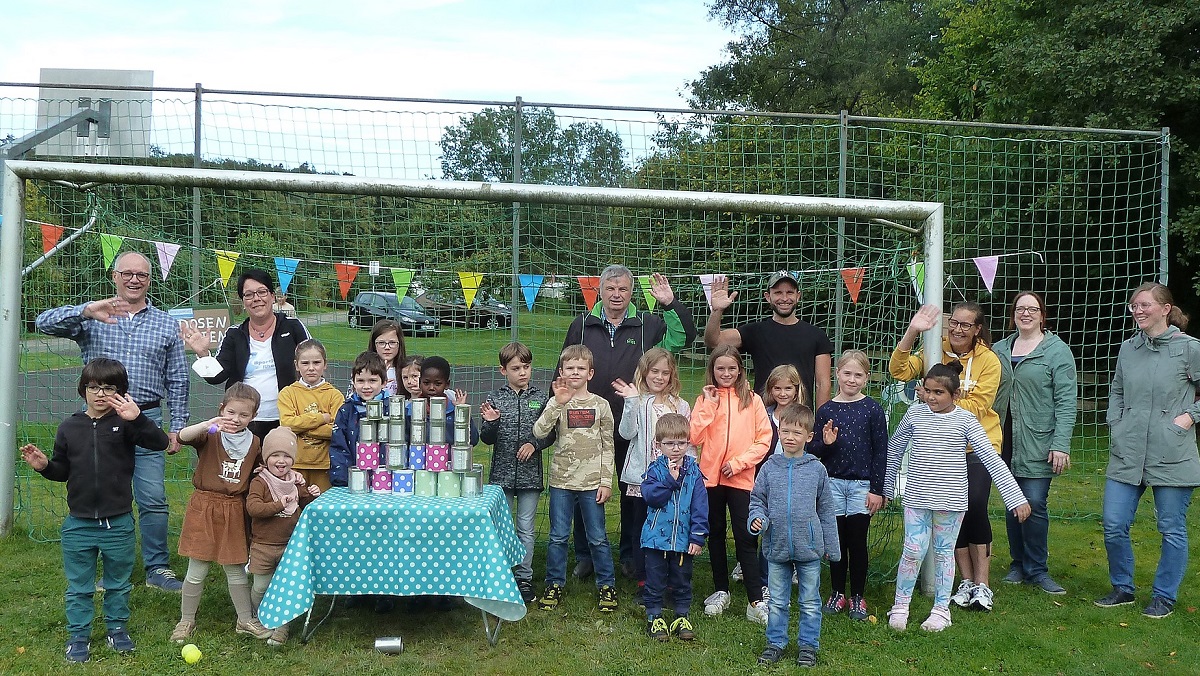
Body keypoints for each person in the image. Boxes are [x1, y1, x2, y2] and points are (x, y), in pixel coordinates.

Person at [35, 250, 189, 593]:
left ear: (150, 281)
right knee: (106, 496)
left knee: (152, 496)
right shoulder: (93, 316)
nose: (135, 280)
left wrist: (177, 427)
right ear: (114, 276)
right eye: (128, 273)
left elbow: (178, 379)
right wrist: (84, 310)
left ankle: (157, 567)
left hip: (145, 417)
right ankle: (113, 566)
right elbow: (41, 322)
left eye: (142, 275)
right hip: (100, 423)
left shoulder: (166, 323)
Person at [19, 358, 170, 663]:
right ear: (83, 389)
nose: (100, 394)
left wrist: (138, 418)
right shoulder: (69, 427)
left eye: (108, 388)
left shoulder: (125, 423)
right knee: (80, 586)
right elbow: (62, 470)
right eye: (94, 387)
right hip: (79, 524)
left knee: (117, 582)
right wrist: (45, 466)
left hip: (118, 523)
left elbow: (160, 442)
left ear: (120, 391)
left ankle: (117, 629)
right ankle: (78, 636)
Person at [562, 264, 696, 581]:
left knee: (631, 493)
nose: (617, 295)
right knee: (585, 490)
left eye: (623, 289)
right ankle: (586, 555)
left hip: (634, 427)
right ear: (600, 291)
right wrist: (560, 410)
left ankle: (629, 555)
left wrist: (670, 303)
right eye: (611, 288)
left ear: (631, 291)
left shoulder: (646, 325)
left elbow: (684, 338)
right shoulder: (582, 325)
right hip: (587, 423)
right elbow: (565, 368)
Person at [883, 362, 1030, 632]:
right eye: (927, 390)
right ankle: (900, 606)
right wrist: (886, 488)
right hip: (916, 498)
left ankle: (941, 610)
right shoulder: (914, 415)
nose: (930, 397)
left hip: (951, 502)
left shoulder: (966, 421)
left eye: (938, 392)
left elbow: (990, 458)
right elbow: (894, 449)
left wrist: (1015, 498)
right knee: (912, 551)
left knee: (943, 553)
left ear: (956, 395)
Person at [1095, 282, 1200, 619]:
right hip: (1128, 450)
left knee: (1171, 528)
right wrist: (1117, 423)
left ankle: (1164, 597)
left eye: (1144, 305)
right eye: (1133, 306)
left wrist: (1187, 418)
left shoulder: (1190, 349)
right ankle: (1122, 588)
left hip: (1173, 453)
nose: (1137, 311)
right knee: (1113, 524)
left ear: (1165, 308)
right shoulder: (1129, 348)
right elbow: (1118, 390)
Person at [890, 302, 1003, 612]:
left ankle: (983, 584)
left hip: (978, 444)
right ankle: (964, 581)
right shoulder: (933, 348)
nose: (957, 329)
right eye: (954, 322)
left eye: (966, 325)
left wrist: (934, 404)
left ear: (978, 329)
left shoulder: (989, 361)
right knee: (949, 509)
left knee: (975, 504)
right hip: (940, 449)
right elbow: (898, 369)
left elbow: (979, 405)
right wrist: (914, 331)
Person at [171, 383, 271, 643]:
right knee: (197, 568)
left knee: (235, 568)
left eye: (244, 415)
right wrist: (208, 423)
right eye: (231, 412)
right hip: (204, 506)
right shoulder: (211, 434)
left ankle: (245, 619)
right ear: (222, 409)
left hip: (233, 508)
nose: (236, 419)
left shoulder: (255, 442)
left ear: (253, 416)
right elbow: (182, 436)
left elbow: (260, 471)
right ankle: (186, 620)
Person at [992, 292, 1077, 595]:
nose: (1025, 313)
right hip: (1003, 440)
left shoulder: (1057, 351)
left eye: (1032, 309)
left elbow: (1067, 402)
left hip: (1038, 440)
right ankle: (1018, 564)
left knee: (1035, 503)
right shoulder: (999, 349)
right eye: (1020, 309)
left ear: (1042, 315)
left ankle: (1037, 569)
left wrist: (1061, 444)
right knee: (1012, 503)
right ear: (1013, 314)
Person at [749, 403, 839, 668]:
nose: (790, 437)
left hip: (809, 550)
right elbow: (757, 500)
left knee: (810, 601)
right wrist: (757, 519)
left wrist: (831, 548)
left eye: (796, 433)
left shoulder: (816, 470)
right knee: (777, 601)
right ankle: (775, 643)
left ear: (809, 437)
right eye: (785, 431)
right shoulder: (769, 467)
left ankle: (808, 647)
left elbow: (826, 509)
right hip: (776, 548)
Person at [691, 344, 772, 623]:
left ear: (740, 370)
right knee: (714, 535)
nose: (726, 373)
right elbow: (693, 437)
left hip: (740, 480)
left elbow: (764, 440)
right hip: (710, 480)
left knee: (746, 538)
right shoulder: (705, 400)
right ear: (712, 371)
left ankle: (754, 600)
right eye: (720, 368)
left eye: (731, 368)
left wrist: (738, 463)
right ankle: (720, 590)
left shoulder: (752, 400)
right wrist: (709, 406)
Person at [534, 345, 618, 613]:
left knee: (597, 537)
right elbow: (539, 431)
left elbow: (608, 446)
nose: (575, 372)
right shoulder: (557, 400)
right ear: (561, 372)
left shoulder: (601, 405)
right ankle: (554, 583)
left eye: (581, 368)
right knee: (558, 536)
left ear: (590, 373)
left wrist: (606, 481)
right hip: (562, 482)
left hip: (592, 483)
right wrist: (556, 403)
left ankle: (607, 585)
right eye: (569, 368)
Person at [183, 268, 309, 439]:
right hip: (244, 422)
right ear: (243, 302)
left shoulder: (293, 327)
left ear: (272, 296)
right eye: (248, 295)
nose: (256, 298)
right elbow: (217, 376)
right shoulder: (234, 334)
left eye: (262, 292)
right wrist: (203, 354)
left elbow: (312, 363)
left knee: (281, 465)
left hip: (288, 419)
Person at [810, 350, 888, 621]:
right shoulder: (827, 410)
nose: (851, 380)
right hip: (832, 484)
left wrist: (877, 489)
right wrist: (826, 443)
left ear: (866, 378)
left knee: (856, 542)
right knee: (835, 543)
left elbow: (881, 452)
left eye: (858, 375)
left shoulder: (872, 409)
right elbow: (815, 450)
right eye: (847, 373)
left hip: (860, 486)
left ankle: (857, 595)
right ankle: (836, 592)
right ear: (837, 374)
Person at [480, 341, 555, 604]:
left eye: (526, 366)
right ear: (503, 371)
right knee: (502, 527)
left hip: (530, 477)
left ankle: (524, 577)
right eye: (516, 368)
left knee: (526, 528)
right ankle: (501, 575)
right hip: (501, 476)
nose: (523, 372)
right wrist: (491, 423)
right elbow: (486, 439)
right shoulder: (495, 399)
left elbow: (550, 434)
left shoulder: (540, 397)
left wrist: (534, 444)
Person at [614, 347, 691, 600]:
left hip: (671, 479)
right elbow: (626, 434)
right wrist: (630, 402)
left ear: (672, 376)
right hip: (641, 480)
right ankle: (644, 582)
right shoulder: (639, 400)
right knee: (642, 529)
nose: (659, 377)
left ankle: (669, 582)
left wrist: (686, 474)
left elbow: (687, 443)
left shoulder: (681, 405)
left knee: (668, 527)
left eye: (665, 373)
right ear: (645, 372)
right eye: (654, 371)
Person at [704, 271, 833, 407]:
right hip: (763, 416)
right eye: (778, 293)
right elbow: (714, 341)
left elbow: (822, 384)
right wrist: (717, 311)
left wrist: (820, 421)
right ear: (768, 297)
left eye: (789, 292)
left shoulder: (817, 335)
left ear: (798, 296)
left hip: (799, 419)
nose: (784, 298)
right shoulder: (755, 331)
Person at [246, 427, 320, 646]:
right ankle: (262, 618)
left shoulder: (296, 481)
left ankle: (281, 626)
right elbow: (253, 508)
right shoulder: (260, 481)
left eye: (287, 456)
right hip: (263, 545)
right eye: (275, 455)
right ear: (266, 458)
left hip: (289, 544)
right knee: (261, 586)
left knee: (285, 587)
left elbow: (302, 504)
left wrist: (311, 494)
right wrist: (279, 504)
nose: (281, 461)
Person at [640, 413, 708, 643]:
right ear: (659, 445)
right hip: (655, 539)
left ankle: (681, 616)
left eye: (681, 443)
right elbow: (651, 497)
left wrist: (697, 536)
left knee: (681, 579)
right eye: (670, 443)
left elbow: (700, 505)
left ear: (688, 443)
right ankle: (654, 616)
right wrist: (670, 480)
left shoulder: (694, 472)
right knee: (655, 580)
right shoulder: (654, 470)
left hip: (682, 540)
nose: (676, 448)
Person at [277, 339, 344, 492]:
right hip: (295, 464)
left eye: (316, 362)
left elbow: (336, 430)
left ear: (325, 364)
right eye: (305, 363)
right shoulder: (288, 393)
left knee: (322, 509)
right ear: (296, 365)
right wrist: (322, 418)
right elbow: (287, 424)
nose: (311, 368)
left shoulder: (334, 396)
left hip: (325, 465)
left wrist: (301, 427)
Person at [328, 352, 389, 489]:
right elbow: (339, 447)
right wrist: (342, 481)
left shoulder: (392, 410)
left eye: (372, 381)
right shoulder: (346, 411)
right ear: (353, 382)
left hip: (387, 481)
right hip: (354, 481)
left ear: (384, 382)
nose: (366, 386)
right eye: (361, 381)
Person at [418, 356, 479, 446]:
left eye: (437, 384)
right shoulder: (410, 411)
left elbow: (473, 440)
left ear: (447, 384)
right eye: (426, 383)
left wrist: (462, 412)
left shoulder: (454, 411)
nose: (431, 388)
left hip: (449, 459)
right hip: (419, 459)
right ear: (420, 382)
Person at [367, 320, 406, 397]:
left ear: (399, 344)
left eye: (392, 343)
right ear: (374, 344)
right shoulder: (363, 369)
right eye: (381, 343)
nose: (387, 347)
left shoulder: (406, 370)